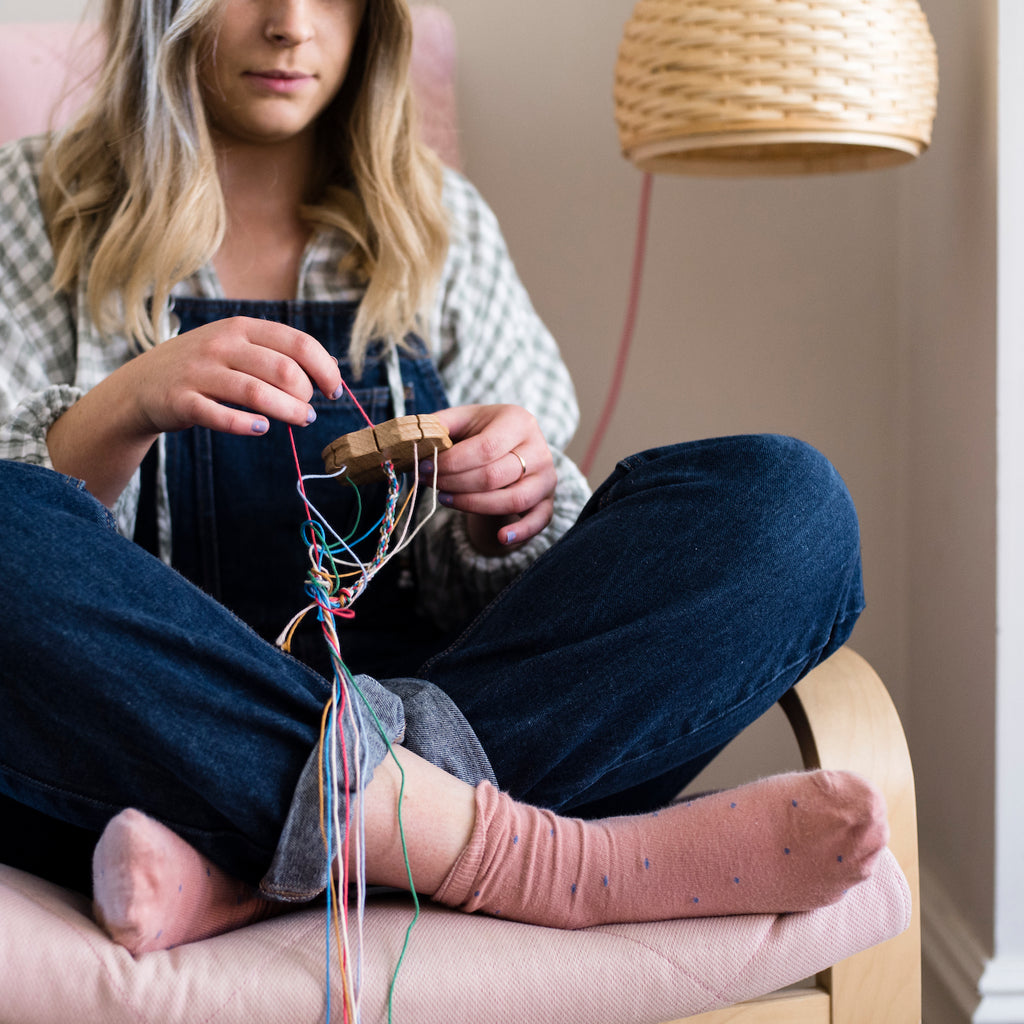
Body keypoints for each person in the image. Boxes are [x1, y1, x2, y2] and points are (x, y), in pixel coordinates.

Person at [0, 0, 885, 958]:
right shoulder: (30, 204)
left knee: (786, 506)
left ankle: (251, 864)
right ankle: (518, 856)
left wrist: (506, 509)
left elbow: (537, 594)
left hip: (427, 709)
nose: (292, 25)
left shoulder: (440, 222)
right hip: (136, 736)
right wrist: (122, 406)